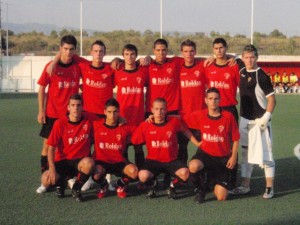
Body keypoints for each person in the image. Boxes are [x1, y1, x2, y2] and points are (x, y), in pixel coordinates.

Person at [230, 44, 276, 199]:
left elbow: (272, 100)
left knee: (267, 155)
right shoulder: (241, 68)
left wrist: (265, 118)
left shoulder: (261, 75)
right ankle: (245, 186)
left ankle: (269, 188)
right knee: (245, 153)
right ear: (243, 58)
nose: (249, 60)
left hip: (260, 122)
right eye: (247, 57)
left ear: (257, 57)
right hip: (244, 120)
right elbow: (231, 57)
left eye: (252, 57)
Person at [36, 35, 81, 194]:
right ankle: (46, 179)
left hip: (71, 115)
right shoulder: (51, 66)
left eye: (71, 49)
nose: (68, 52)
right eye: (65, 49)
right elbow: (42, 88)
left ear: (75, 50)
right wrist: (41, 110)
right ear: (60, 48)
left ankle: (70, 177)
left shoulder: (78, 64)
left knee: (71, 145)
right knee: (47, 146)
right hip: (53, 114)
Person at [131, 98, 201, 199]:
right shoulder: (146, 125)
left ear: (166, 110)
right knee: (142, 176)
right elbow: (134, 140)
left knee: (185, 174)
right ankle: (153, 185)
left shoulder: (174, 122)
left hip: (171, 160)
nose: (159, 112)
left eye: (162, 109)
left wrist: (197, 143)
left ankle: (171, 186)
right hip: (153, 161)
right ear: (152, 110)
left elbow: (185, 131)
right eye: (156, 109)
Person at [186, 87, 240, 203]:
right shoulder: (200, 115)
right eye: (210, 99)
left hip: (223, 158)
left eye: (216, 99)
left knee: (222, 197)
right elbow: (181, 124)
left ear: (220, 100)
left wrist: (233, 156)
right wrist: (196, 143)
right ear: (206, 100)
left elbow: (235, 139)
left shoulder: (228, 116)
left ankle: (209, 182)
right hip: (205, 154)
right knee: (193, 166)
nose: (213, 101)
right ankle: (200, 190)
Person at [40, 94, 94, 202]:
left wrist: (119, 118)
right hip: (62, 161)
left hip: (79, 162)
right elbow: (51, 148)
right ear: (68, 107)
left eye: (78, 105)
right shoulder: (59, 123)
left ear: (82, 107)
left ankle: (76, 188)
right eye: (73, 105)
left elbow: (106, 120)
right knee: (45, 180)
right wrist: (51, 168)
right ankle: (62, 183)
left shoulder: (89, 119)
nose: (76, 108)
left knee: (89, 163)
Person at [204, 37, 240, 190]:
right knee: (213, 144)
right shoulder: (208, 66)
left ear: (226, 48)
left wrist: (235, 57)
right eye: (216, 48)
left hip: (229, 110)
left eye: (221, 48)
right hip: (212, 111)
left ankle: (231, 181)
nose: (219, 51)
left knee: (232, 147)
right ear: (213, 50)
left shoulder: (234, 66)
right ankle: (212, 178)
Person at [92, 98, 138, 199]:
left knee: (134, 172)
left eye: (115, 112)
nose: (112, 115)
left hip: (119, 161)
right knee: (95, 173)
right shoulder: (96, 124)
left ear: (119, 112)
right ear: (104, 112)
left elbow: (141, 130)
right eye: (109, 112)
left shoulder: (124, 126)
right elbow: (81, 114)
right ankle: (104, 185)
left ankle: (120, 184)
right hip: (102, 161)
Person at [114, 44, 148, 169]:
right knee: (123, 149)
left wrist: (149, 57)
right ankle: (126, 176)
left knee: (138, 148)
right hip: (122, 119)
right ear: (123, 56)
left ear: (136, 56)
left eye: (132, 54)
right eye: (127, 54)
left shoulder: (143, 72)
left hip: (138, 119)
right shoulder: (117, 73)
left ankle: (142, 176)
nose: (130, 57)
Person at [178, 39, 206, 164]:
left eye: (191, 51)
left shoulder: (202, 65)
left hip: (201, 116)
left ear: (195, 52)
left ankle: (201, 173)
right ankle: (181, 175)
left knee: (204, 147)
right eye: (186, 51)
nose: (188, 54)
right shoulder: (177, 67)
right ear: (182, 53)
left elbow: (220, 58)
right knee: (181, 148)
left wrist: (229, 56)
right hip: (183, 117)